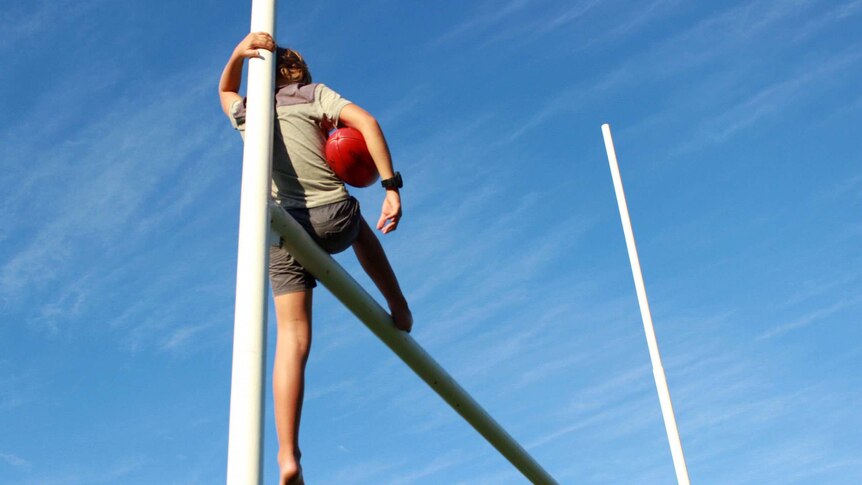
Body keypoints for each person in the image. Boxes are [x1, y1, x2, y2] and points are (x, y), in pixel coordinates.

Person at [219, 32, 413, 485]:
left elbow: (225, 91)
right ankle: (399, 308)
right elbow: (367, 122)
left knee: (292, 338)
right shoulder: (312, 94)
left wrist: (235, 55)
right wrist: (391, 187)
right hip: (331, 215)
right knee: (360, 225)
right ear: (299, 72)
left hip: (281, 231)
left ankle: (289, 454)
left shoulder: (249, 111)